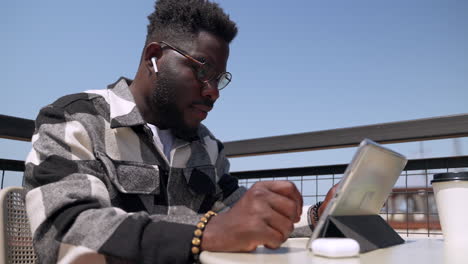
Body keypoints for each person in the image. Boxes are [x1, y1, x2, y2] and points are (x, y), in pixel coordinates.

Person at [23, 0, 326, 263]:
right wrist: (206, 234)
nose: (213, 92)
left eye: (219, 79)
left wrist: (318, 214)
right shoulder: (75, 119)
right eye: (202, 70)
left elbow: (240, 212)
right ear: (154, 57)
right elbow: (68, 232)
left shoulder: (206, 145)